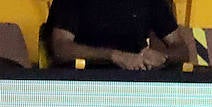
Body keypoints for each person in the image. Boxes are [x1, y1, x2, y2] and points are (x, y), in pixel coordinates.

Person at [46, 0, 188, 70]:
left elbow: (182, 49)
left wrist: (161, 57)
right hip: (83, 85)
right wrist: (114, 56)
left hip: (134, 87)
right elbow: (61, 49)